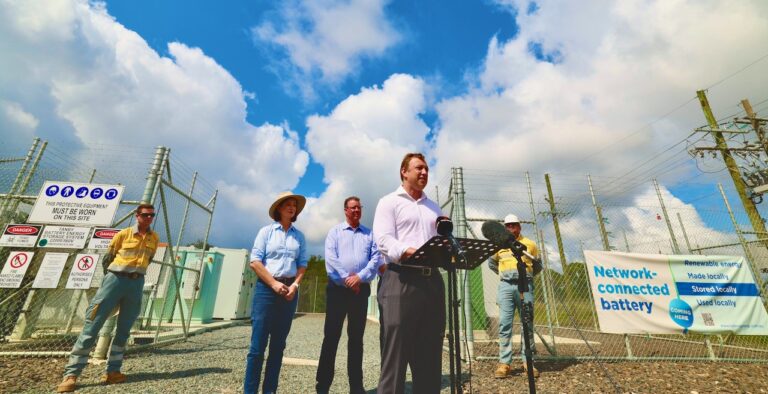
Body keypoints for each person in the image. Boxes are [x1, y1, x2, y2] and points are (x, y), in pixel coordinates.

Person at [56, 203, 160, 393]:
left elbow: (149, 259)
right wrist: (113, 278)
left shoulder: (154, 238)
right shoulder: (123, 234)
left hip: (136, 283)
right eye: (145, 215)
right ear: (137, 216)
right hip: (115, 279)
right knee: (93, 325)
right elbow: (109, 257)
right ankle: (71, 375)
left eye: (152, 215)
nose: (149, 218)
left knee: (124, 329)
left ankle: (113, 371)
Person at [373, 152, 445, 394]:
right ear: (404, 171)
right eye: (419, 168)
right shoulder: (389, 202)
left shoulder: (434, 208)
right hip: (400, 280)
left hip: (432, 282)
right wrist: (410, 251)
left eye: (426, 168)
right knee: (396, 356)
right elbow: (383, 240)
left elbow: (439, 244)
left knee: (429, 355)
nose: (424, 172)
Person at [315, 196, 382, 394]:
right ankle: (323, 386)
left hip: (360, 292)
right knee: (331, 338)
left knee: (356, 340)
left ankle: (356, 387)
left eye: (359, 207)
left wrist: (359, 277)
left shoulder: (369, 234)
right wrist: (347, 279)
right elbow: (331, 260)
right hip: (337, 292)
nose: (356, 211)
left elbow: (375, 258)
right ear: (345, 210)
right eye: (352, 208)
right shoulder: (335, 232)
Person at [244, 192, 308, 394]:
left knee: (278, 347)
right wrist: (272, 283)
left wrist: (294, 286)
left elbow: (302, 265)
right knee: (257, 348)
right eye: (288, 204)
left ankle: (269, 390)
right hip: (266, 290)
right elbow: (255, 261)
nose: (292, 208)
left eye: (294, 205)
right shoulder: (266, 232)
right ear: (279, 208)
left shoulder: (300, 237)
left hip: (289, 292)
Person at [489, 214, 541, 379]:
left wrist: (526, 275)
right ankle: (505, 363)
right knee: (505, 325)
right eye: (508, 226)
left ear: (519, 227)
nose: (511, 228)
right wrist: (506, 275)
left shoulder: (530, 244)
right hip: (506, 287)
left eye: (514, 225)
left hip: (525, 286)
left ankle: (529, 363)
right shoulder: (499, 245)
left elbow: (537, 265)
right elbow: (492, 264)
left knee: (527, 324)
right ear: (505, 228)